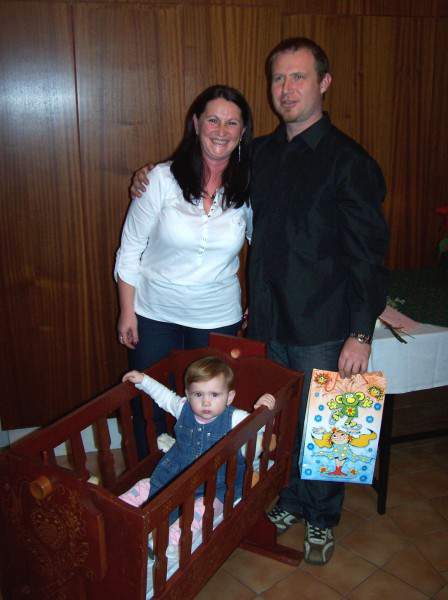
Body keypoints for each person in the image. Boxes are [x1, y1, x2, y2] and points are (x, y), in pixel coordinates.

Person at [129, 37, 389, 566]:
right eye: (278, 78)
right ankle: (289, 500)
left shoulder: (350, 162)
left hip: (328, 324)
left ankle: (323, 517)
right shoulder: (260, 155)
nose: (287, 89)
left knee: (333, 424)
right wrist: (147, 176)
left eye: (299, 77)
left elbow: (369, 255)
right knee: (280, 424)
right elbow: (204, 172)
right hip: (269, 323)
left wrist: (361, 332)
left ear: (324, 83)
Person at [115, 85, 253, 458]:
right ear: (196, 123)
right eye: (212, 120)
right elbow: (130, 249)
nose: (221, 131)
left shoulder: (249, 187)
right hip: (153, 315)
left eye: (231, 123)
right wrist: (127, 311)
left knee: (208, 413)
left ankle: (198, 483)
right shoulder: (160, 180)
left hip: (216, 319)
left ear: (242, 132)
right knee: (148, 409)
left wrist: (256, 301)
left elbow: (265, 248)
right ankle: (150, 479)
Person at [118, 356, 276, 507]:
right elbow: (164, 396)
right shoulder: (183, 408)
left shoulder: (235, 417)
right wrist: (143, 380)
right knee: (147, 487)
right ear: (188, 395)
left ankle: (183, 525)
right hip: (176, 474)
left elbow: (262, 427)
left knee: (204, 507)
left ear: (229, 397)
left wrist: (262, 412)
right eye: (198, 394)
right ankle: (122, 511)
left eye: (214, 394)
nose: (206, 402)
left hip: (216, 483)